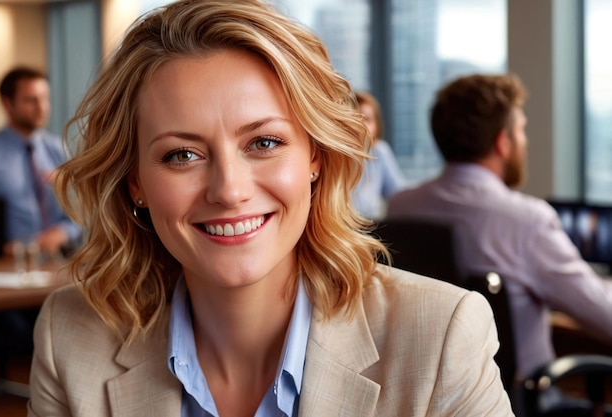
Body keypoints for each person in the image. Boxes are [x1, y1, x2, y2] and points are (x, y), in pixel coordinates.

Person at [28, 2, 514, 416]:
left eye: (263, 142)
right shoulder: (70, 337)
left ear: (315, 159)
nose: (229, 190)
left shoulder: (442, 335)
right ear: (136, 182)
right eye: (182, 154)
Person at [387, 73, 612, 380]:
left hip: (424, 396)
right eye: (521, 131)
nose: (525, 141)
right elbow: (603, 314)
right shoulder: (527, 221)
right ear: (502, 143)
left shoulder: (401, 207)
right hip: (513, 401)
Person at [0, 66, 81, 257]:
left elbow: (81, 214)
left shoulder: (57, 149)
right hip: (8, 268)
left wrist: (64, 232)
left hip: (60, 263)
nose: (41, 107)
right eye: (31, 100)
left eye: (45, 98)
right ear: (7, 104)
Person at [351, 91, 406, 219]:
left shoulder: (379, 151)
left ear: (376, 125)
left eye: (367, 119)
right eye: (355, 118)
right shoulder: (333, 156)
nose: (361, 126)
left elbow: (398, 195)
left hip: (372, 229)